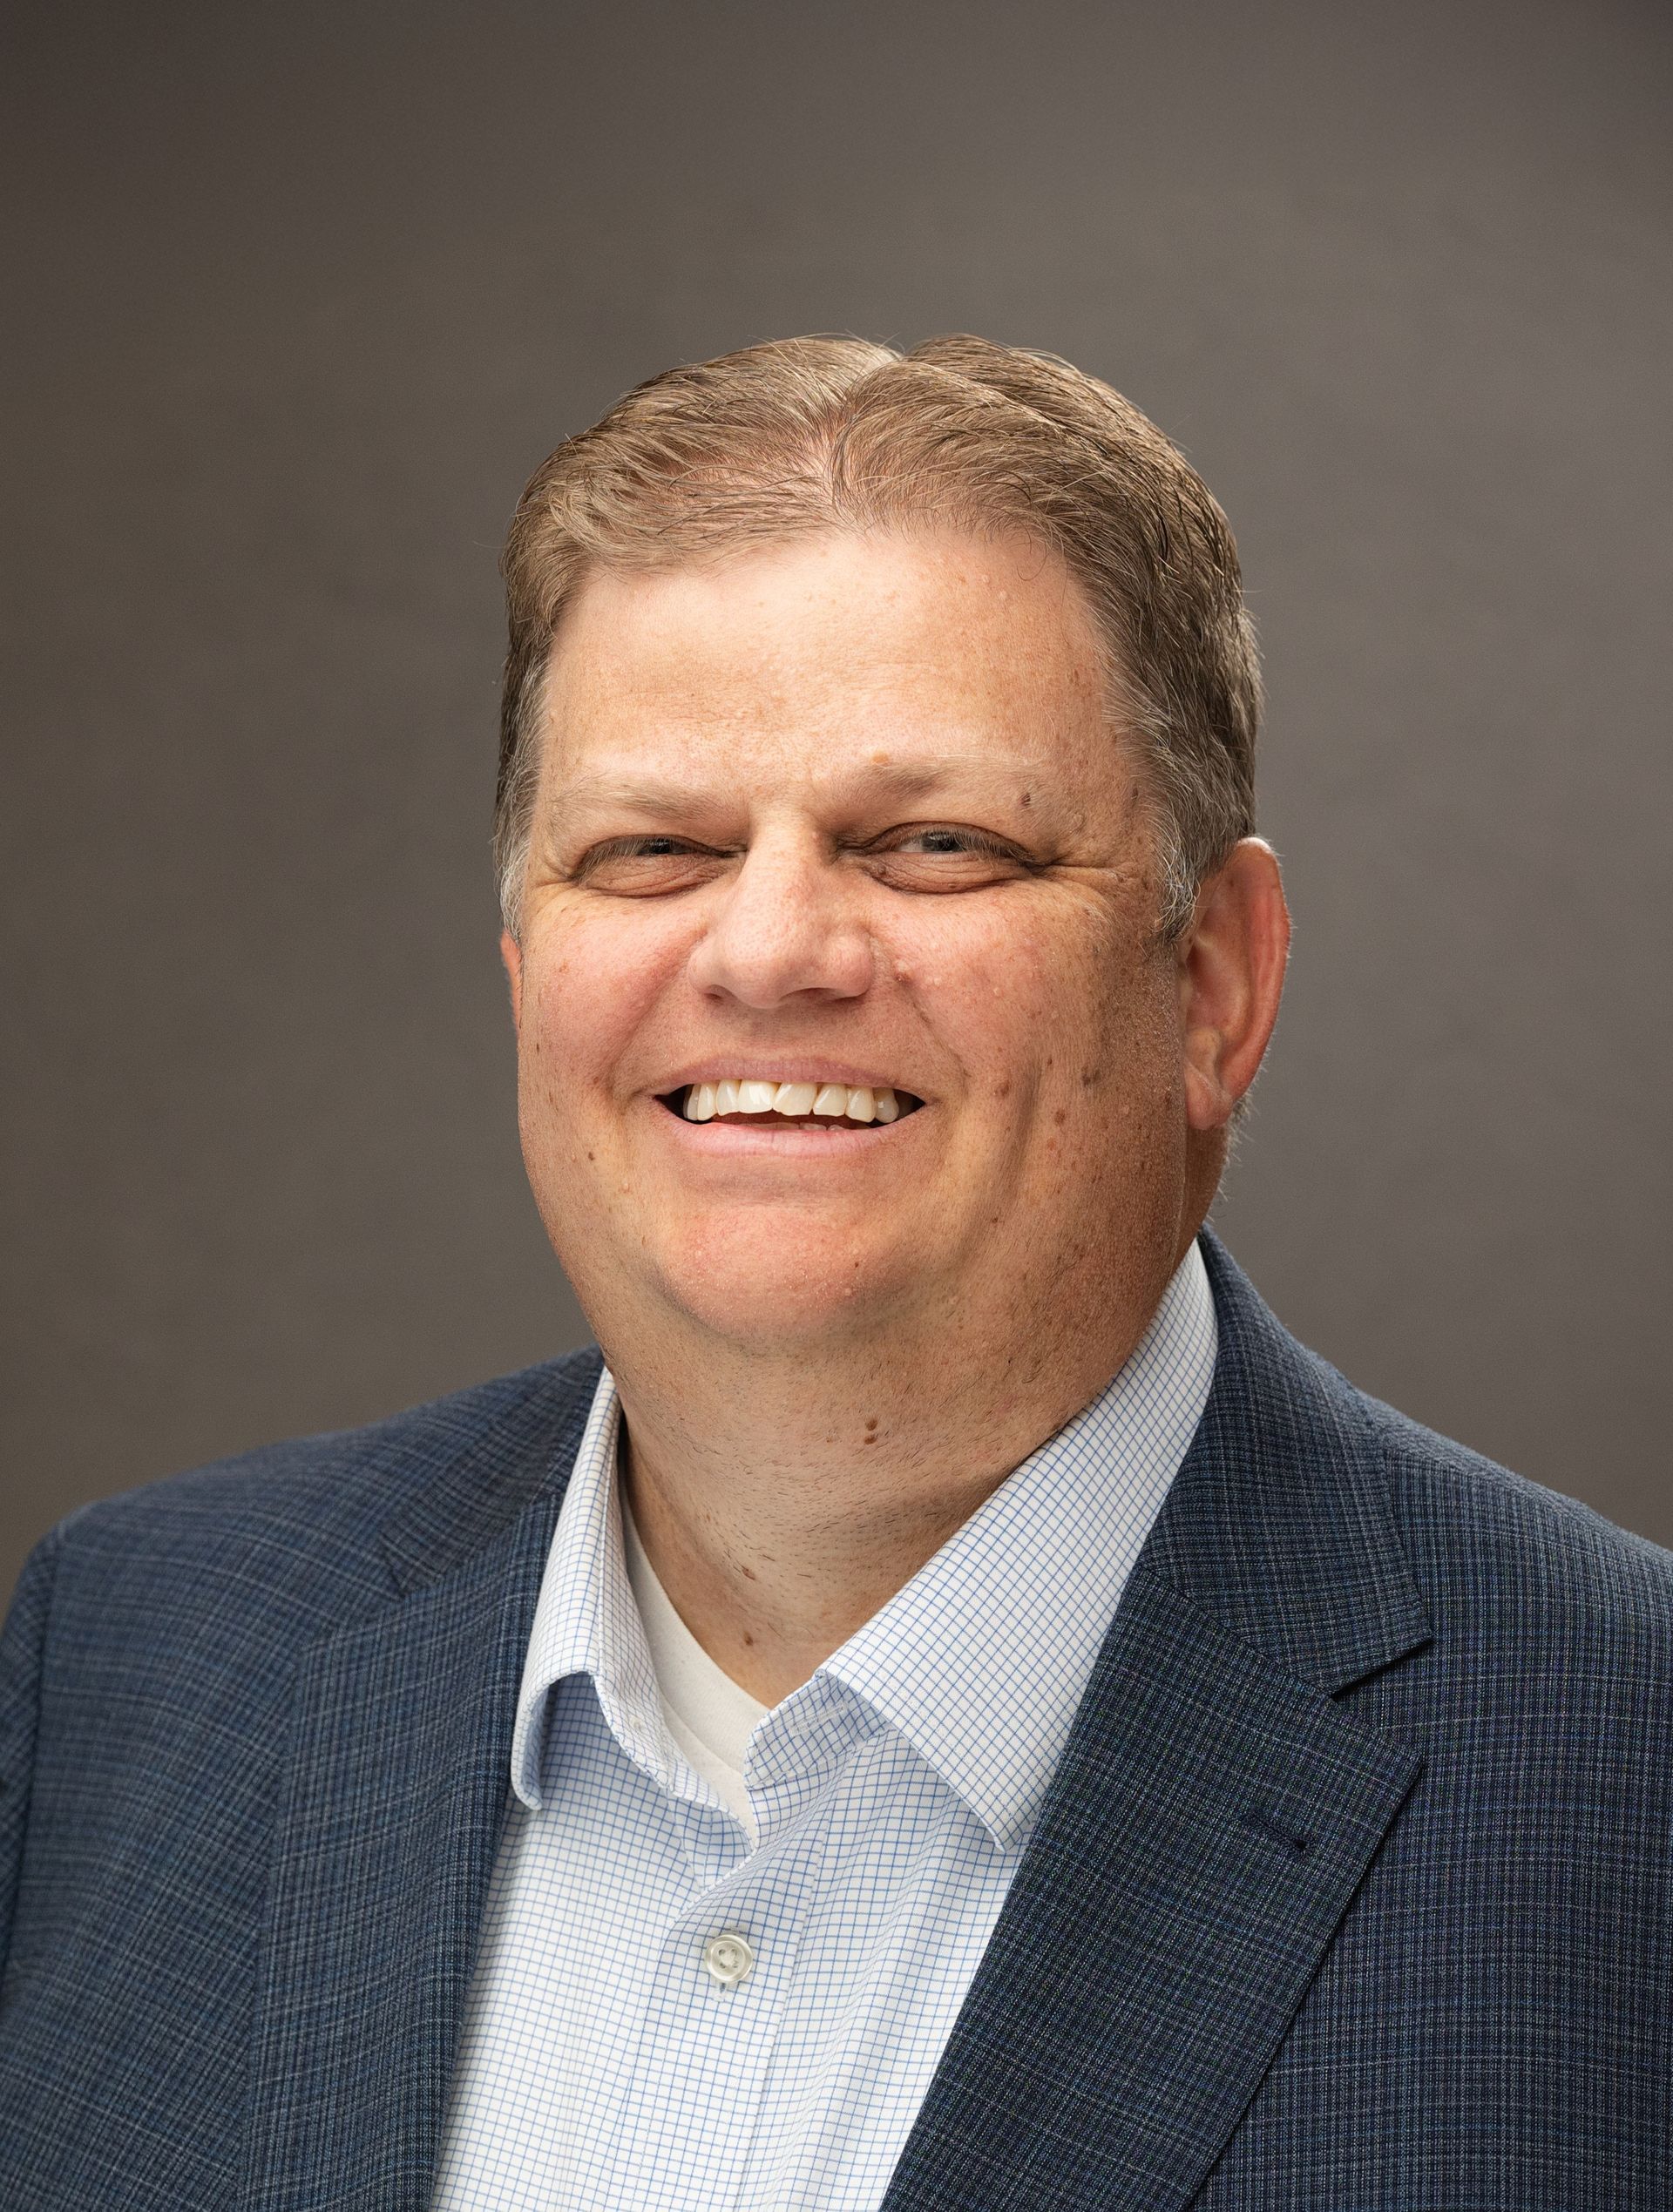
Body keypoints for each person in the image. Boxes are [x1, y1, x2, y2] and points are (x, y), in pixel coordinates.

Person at [2, 335, 1668, 2212]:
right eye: (653, 849)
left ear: (1213, 986)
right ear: (529, 982)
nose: (772, 948)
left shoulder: (1628, 1789)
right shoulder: (134, 1658)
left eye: (934, 843)